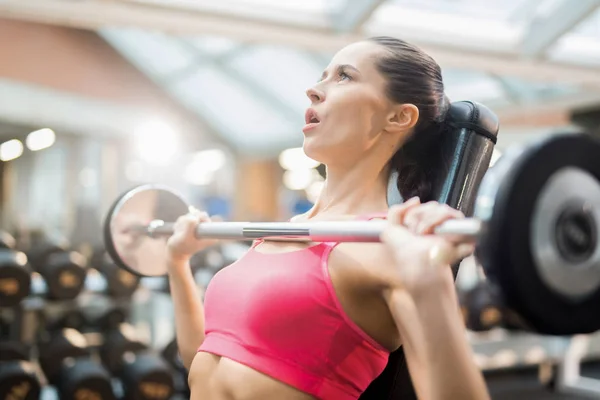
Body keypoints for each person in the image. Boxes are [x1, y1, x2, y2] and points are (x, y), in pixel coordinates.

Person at [165, 37, 491, 400]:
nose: (313, 90)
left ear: (399, 116)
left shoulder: (386, 246)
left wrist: (430, 283)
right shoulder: (280, 232)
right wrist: (177, 262)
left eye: (344, 77)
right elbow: (201, 362)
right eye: (323, 75)